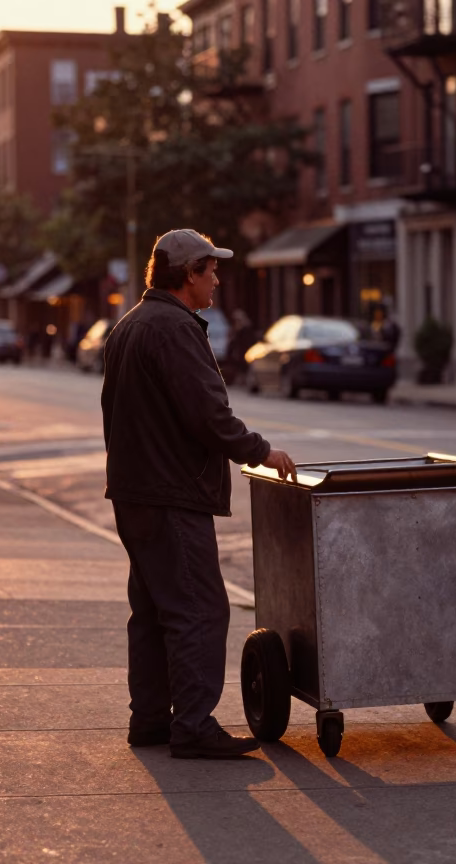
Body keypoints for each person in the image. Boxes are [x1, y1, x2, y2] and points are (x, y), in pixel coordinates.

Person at [101, 228, 297, 759]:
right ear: (189, 274)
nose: (217, 279)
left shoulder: (129, 326)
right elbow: (208, 414)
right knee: (199, 609)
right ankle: (191, 725)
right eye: (211, 270)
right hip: (171, 495)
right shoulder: (174, 329)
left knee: (153, 610)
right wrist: (260, 451)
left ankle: (149, 720)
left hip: (134, 493)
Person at [224, 308, 256, 385]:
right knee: (239, 367)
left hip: (245, 351)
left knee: (245, 367)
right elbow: (232, 342)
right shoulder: (235, 329)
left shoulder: (246, 329)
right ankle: (241, 380)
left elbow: (247, 341)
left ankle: (246, 381)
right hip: (238, 352)